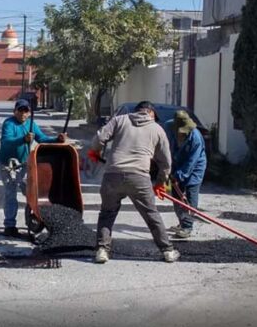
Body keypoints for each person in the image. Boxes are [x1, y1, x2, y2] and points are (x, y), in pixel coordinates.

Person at [88, 101, 180, 263]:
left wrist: (95, 151)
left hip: (113, 175)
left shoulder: (119, 120)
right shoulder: (157, 129)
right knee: (151, 214)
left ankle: (102, 250)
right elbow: (166, 162)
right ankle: (167, 251)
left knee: (107, 213)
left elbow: (100, 138)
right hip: (139, 177)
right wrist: (160, 183)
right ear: (150, 112)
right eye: (154, 116)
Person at [0, 99, 66, 237]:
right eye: (20, 110)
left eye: (26, 111)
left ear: (29, 113)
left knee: (31, 192)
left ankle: (34, 219)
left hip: (24, 164)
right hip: (8, 164)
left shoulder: (31, 124)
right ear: (14, 111)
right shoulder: (9, 123)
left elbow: (42, 139)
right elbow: (6, 141)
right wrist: (23, 139)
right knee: (11, 193)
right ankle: (9, 226)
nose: (23, 113)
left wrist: (57, 140)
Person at [165, 110, 206, 240]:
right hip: (177, 162)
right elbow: (165, 147)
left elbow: (191, 162)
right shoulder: (169, 127)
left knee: (190, 195)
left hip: (195, 167)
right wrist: (168, 169)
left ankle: (187, 226)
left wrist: (179, 176)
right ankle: (182, 222)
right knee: (176, 195)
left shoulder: (196, 138)